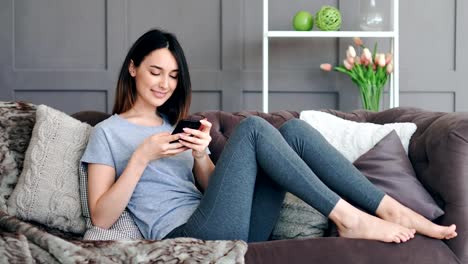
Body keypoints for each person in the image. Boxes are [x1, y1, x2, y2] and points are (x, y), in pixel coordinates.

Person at [80, 28, 457, 243]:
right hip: (187, 237)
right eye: (155, 71)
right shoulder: (107, 133)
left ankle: (389, 208)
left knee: (293, 130)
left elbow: (213, 193)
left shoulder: (174, 126)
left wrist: (199, 156)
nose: (165, 83)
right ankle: (350, 218)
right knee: (255, 130)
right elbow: (100, 215)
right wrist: (141, 157)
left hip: (229, 224)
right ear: (132, 68)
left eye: (173, 75)